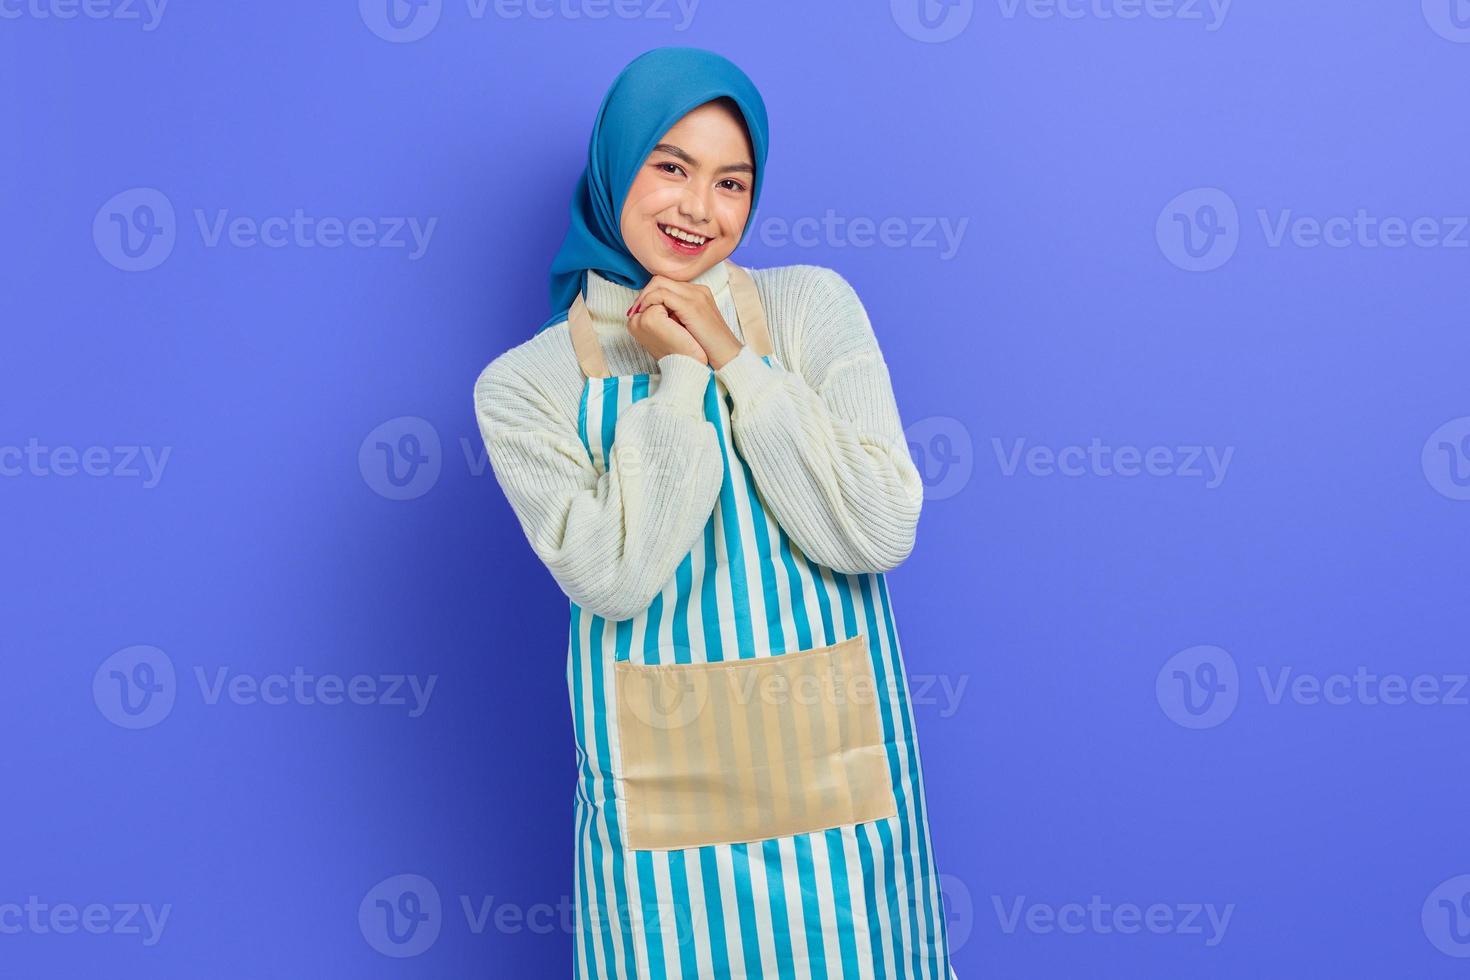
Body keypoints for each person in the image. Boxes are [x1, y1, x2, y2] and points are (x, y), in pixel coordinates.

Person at [474, 45, 958, 980]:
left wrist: (738, 359)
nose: (699, 208)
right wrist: (681, 375)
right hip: (667, 826)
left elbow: (878, 529)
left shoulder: (811, 307)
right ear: (615, 163)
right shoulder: (523, 387)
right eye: (670, 168)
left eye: (731, 181)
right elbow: (617, 576)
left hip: (837, 803)